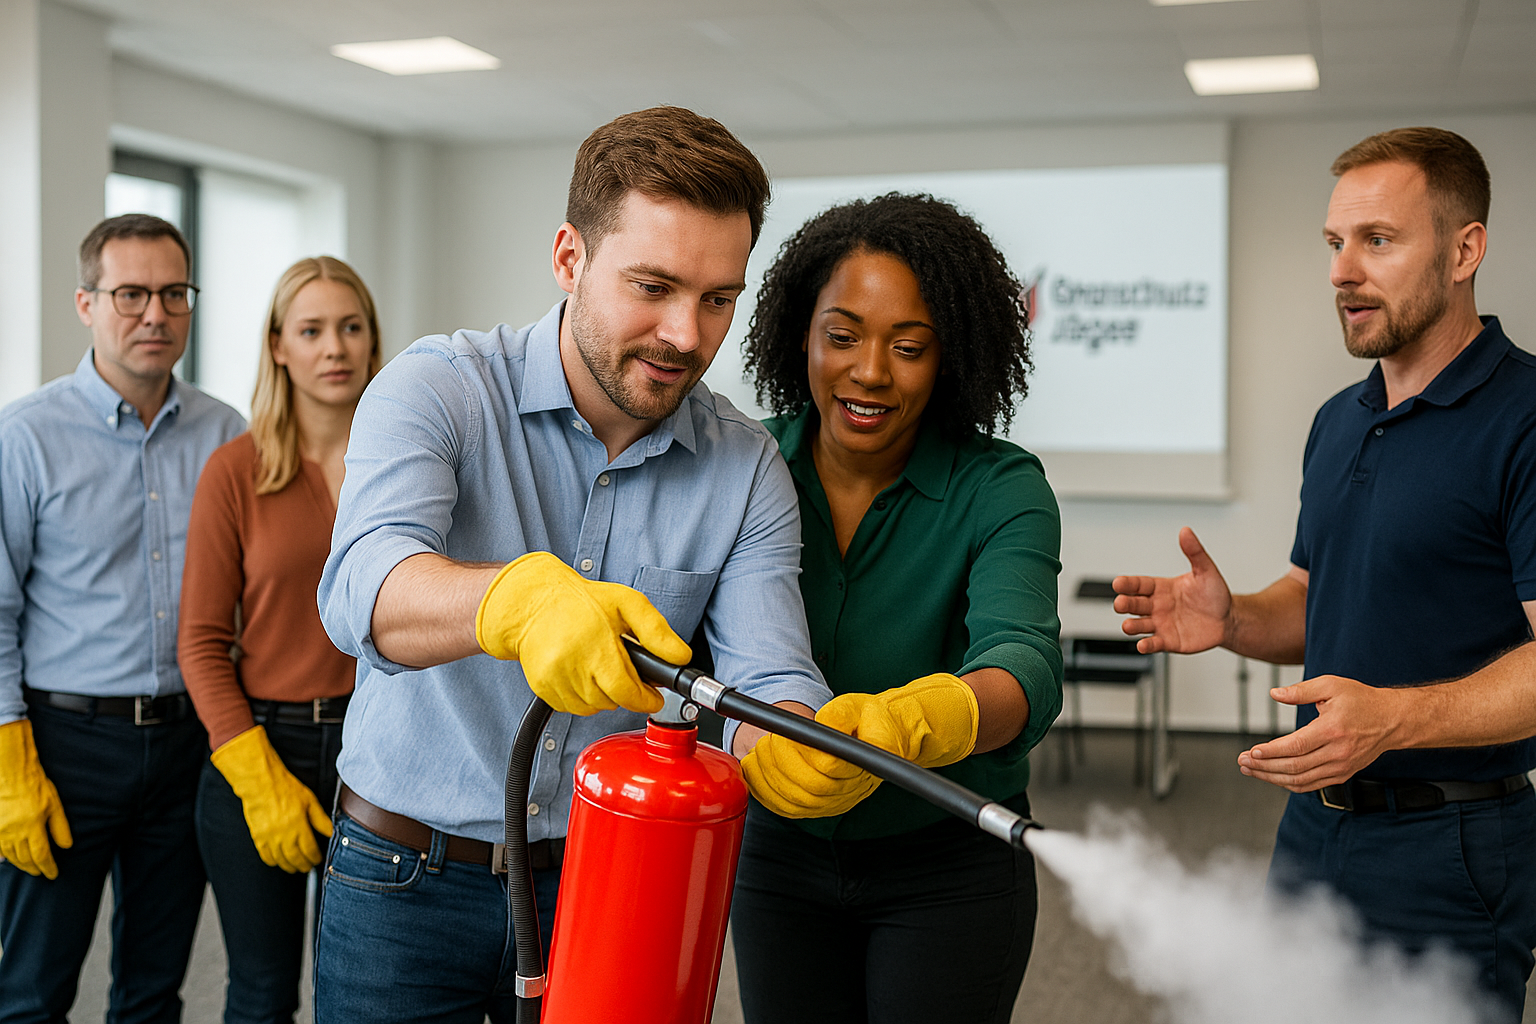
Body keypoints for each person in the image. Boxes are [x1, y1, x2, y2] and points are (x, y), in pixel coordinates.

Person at [312, 106, 834, 1022]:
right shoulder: (440, 387)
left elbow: (768, 670)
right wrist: (511, 600)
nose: (685, 333)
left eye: (719, 298)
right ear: (569, 258)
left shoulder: (746, 465)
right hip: (400, 878)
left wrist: (799, 735)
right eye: (654, 286)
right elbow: (364, 586)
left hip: (620, 886)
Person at [1111, 127, 1536, 1019]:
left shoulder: (1525, 419)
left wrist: (1397, 717)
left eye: (1377, 241)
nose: (1343, 270)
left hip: (1453, 841)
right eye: (1335, 244)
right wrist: (1233, 619)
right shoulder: (1339, 419)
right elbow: (1312, 601)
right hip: (1315, 827)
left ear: (1466, 250)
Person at [730, 193, 1064, 1024]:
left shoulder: (1001, 487)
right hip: (776, 858)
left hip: (948, 862)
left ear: (950, 356)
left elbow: (1024, 661)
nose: (870, 371)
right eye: (841, 336)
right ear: (798, 334)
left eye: (908, 347)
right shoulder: (743, 466)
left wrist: (923, 720)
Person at [0, 214, 245, 1022]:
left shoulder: (227, 435)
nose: (155, 314)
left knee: (154, 989)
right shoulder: (25, 437)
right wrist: (8, 758)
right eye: (131, 293)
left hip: (186, 747)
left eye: (174, 293)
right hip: (65, 747)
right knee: (32, 989)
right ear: (86, 303)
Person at [179, 257, 381, 1024]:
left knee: (359, 990)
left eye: (351, 327)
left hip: (381, 752)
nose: (335, 347)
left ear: (371, 341)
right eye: (312, 330)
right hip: (261, 747)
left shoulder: (406, 463)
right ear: (278, 347)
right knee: (260, 992)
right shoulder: (234, 472)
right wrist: (256, 774)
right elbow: (200, 642)